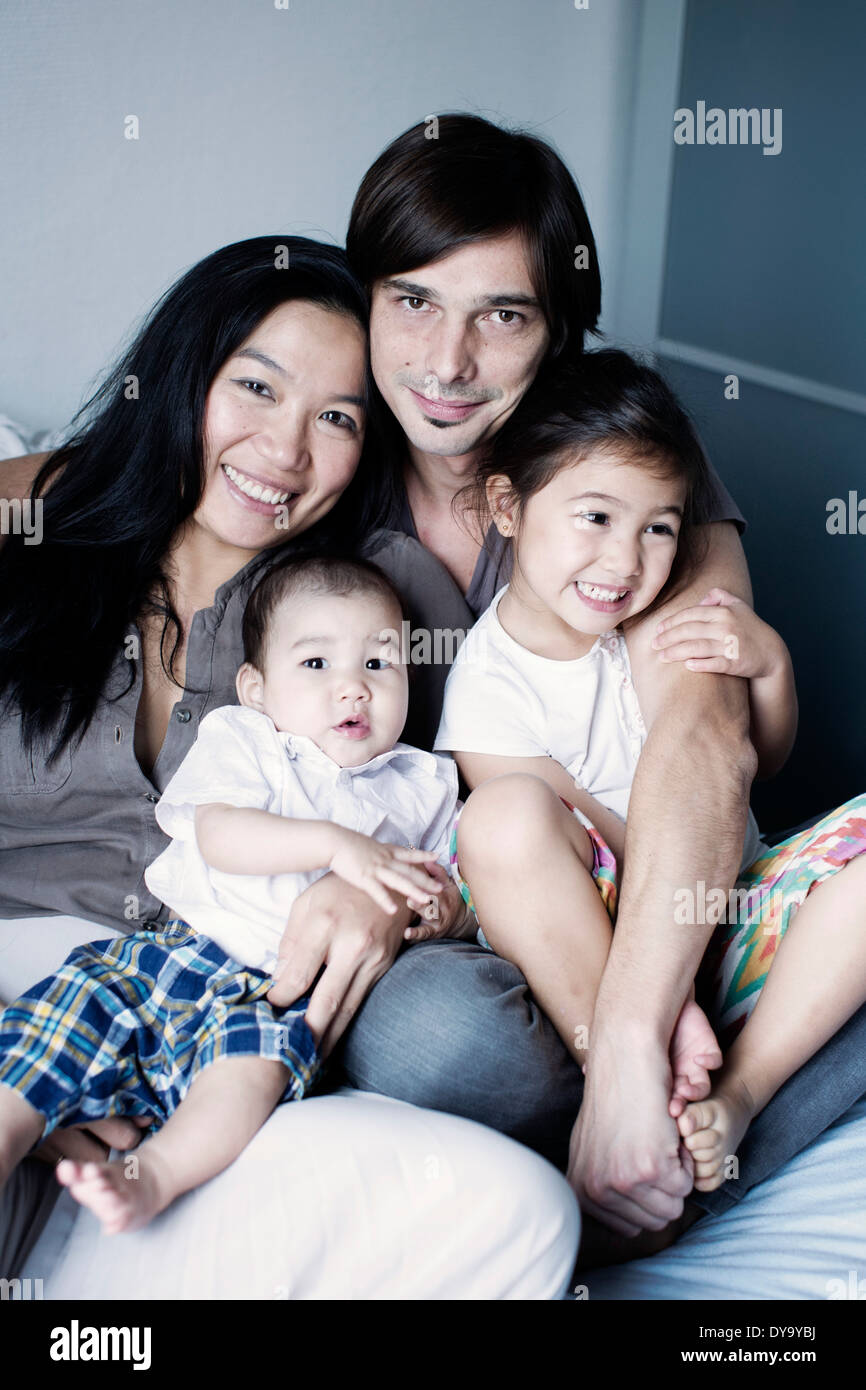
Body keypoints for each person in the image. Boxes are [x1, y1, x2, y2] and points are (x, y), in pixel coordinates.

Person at [329, 113, 866, 1247]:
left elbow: (714, 742)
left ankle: (654, 1152)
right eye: (412, 300)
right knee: (432, 1037)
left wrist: (640, 1026)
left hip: (691, 897)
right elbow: (125, 467)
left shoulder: (636, 459)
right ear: (365, 299)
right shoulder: (323, 448)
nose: (445, 361)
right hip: (515, 950)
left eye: (502, 314)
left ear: (558, 328)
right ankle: (656, 1144)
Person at [433, 350, 866, 1199]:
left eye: (658, 528)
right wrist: (662, 994)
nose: (625, 562)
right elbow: (583, 843)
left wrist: (768, 665)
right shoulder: (486, 687)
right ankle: (628, 1082)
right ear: (508, 507)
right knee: (503, 822)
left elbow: (762, 763)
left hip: (736, 912)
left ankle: (737, 1097)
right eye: (595, 517)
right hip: (602, 946)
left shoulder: (660, 623)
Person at [0, 555, 468, 1234]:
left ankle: (152, 1175)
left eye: (378, 664)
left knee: (253, 1076)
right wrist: (336, 846)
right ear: (255, 687)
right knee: (65, 1020)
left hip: (277, 994)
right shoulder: (248, 741)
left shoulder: (421, 784)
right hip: (174, 956)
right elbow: (221, 835)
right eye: (316, 665)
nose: (352, 690)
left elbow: (448, 875)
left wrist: (444, 909)